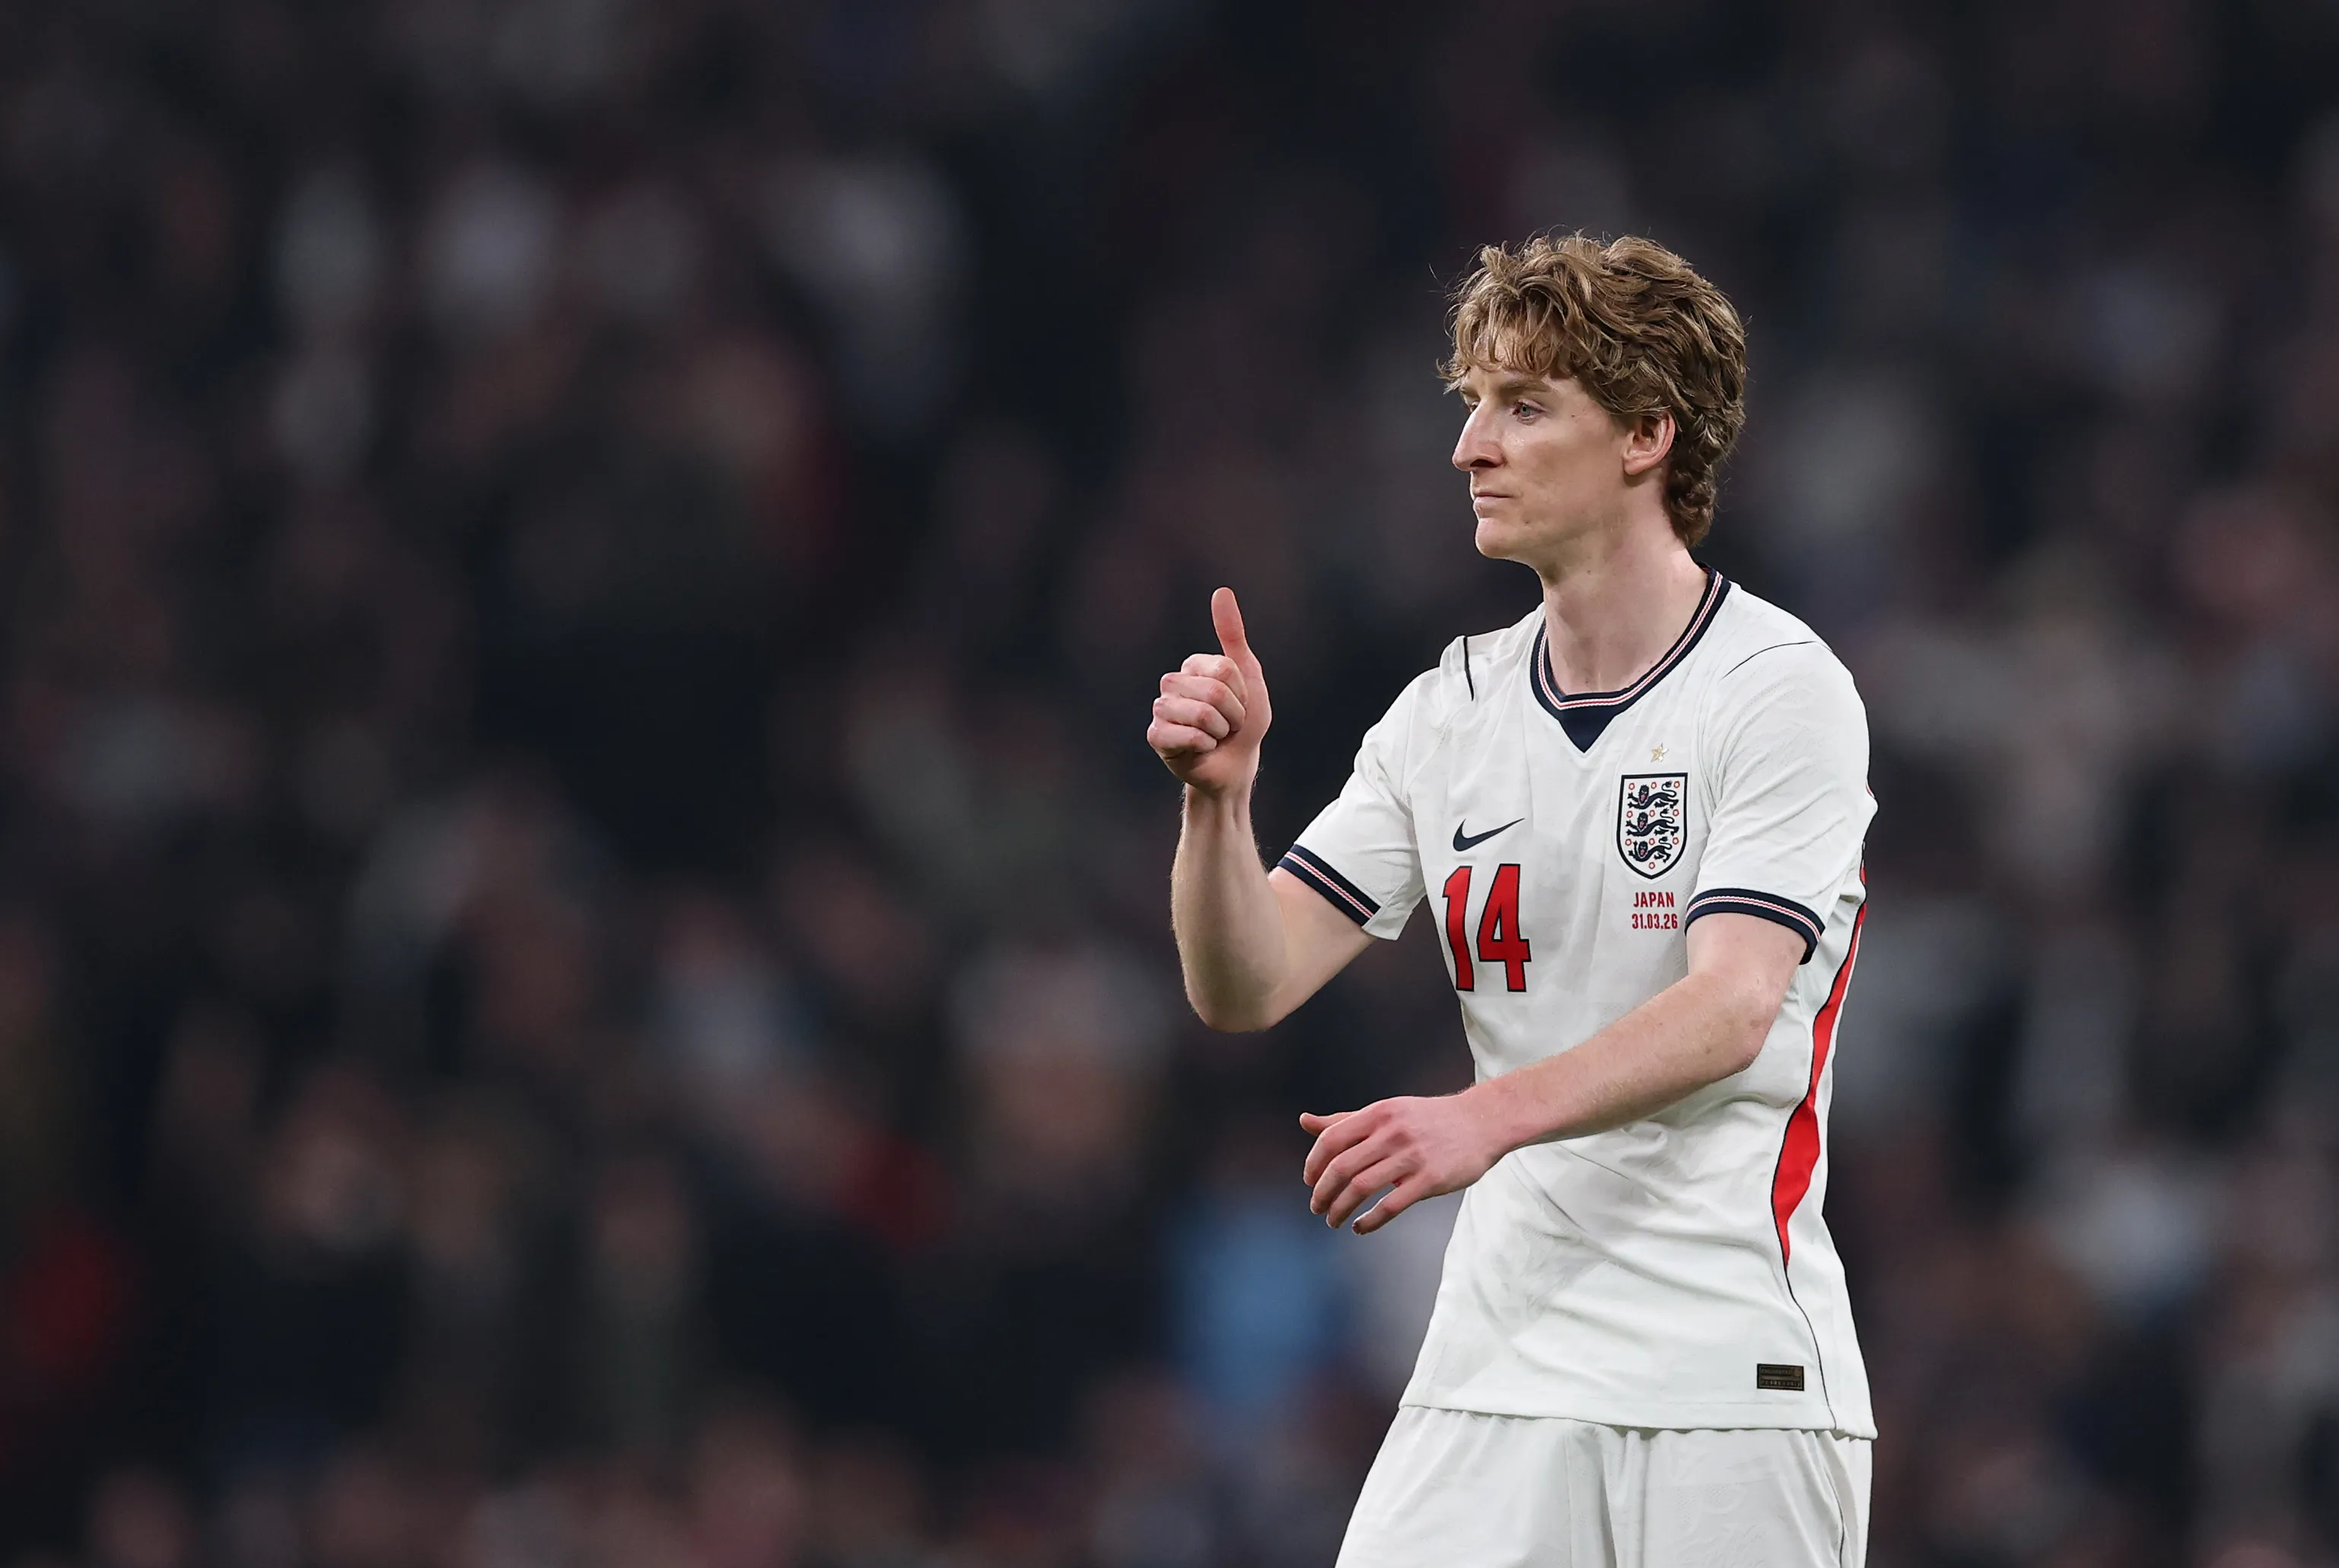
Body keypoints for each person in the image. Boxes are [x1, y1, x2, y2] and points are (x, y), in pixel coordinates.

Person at [1146, 234, 1874, 1566]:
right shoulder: (1449, 709)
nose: (1470, 445)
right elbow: (1242, 985)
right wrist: (1218, 802)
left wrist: (1482, 1118)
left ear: (1647, 433)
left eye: (1524, 406)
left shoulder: (1778, 687)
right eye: (1471, 404)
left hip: (1725, 1382)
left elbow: (1730, 1008)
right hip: (1497, 1365)